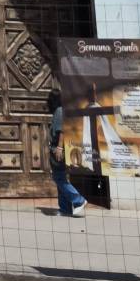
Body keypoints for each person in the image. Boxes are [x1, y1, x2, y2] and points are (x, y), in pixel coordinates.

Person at [48, 88, 86, 217]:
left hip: (58, 150)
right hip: (58, 149)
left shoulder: (59, 111)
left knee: (59, 178)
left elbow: (61, 131)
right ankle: (65, 209)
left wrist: (59, 148)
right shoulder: (61, 110)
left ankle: (78, 200)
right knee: (60, 178)